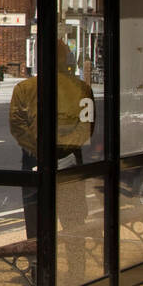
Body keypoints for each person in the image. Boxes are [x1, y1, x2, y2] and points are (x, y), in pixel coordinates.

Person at [8, 41, 95, 241]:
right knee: (75, 228)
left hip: (33, 164)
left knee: (36, 229)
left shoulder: (23, 88)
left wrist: (41, 150)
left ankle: (36, 270)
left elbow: (17, 128)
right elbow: (85, 131)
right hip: (70, 164)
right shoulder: (82, 89)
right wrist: (60, 149)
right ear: (66, 60)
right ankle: (76, 270)